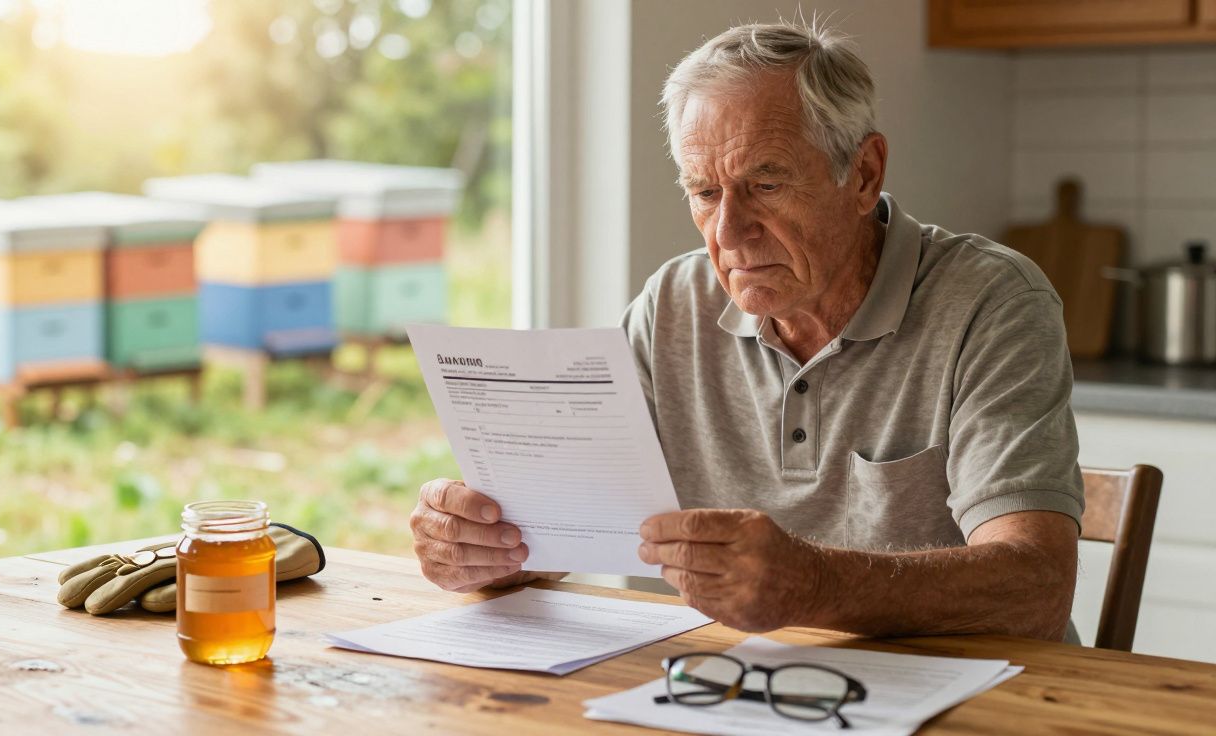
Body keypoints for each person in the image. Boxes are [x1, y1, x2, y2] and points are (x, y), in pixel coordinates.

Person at [408, 19, 1084, 642]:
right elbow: (567, 529)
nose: (728, 233)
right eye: (704, 192)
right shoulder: (673, 303)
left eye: (765, 186)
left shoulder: (991, 301)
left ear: (864, 174)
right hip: (738, 687)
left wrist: (814, 585)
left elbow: (1036, 588)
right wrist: (489, 549)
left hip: (973, 694)